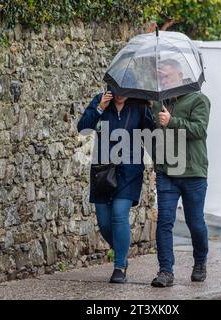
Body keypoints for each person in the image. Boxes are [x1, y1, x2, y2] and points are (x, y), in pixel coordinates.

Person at [77, 84, 154, 284]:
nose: (119, 95)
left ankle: (119, 266)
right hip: (103, 171)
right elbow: (83, 128)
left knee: (119, 215)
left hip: (129, 172)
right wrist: (99, 109)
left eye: (123, 91)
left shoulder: (140, 106)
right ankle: (122, 253)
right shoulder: (100, 101)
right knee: (104, 223)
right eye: (115, 90)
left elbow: (152, 134)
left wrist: (154, 112)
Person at [150, 59, 211, 287]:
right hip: (167, 171)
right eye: (161, 77)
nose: (163, 80)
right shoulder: (157, 103)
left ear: (179, 74)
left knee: (195, 222)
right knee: (164, 222)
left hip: (193, 172)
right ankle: (165, 271)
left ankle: (200, 261)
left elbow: (199, 130)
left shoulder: (199, 99)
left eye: (166, 76)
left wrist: (171, 121)